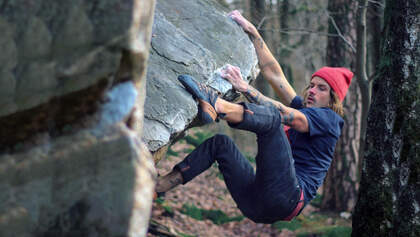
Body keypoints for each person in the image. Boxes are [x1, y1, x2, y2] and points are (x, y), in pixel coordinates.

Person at [155, 10, 353, 223]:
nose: (312, 90)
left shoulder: (330, 120)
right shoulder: (303, 109)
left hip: (288, 198)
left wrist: (245, 88)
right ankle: (159, 186)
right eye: (311, 85)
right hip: (256, 203)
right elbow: (273, 73)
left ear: (333, 99)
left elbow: (287, 116)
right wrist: (252, 32)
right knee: (219, 144)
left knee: (274, 118)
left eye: (321, 88)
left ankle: (217, 105)